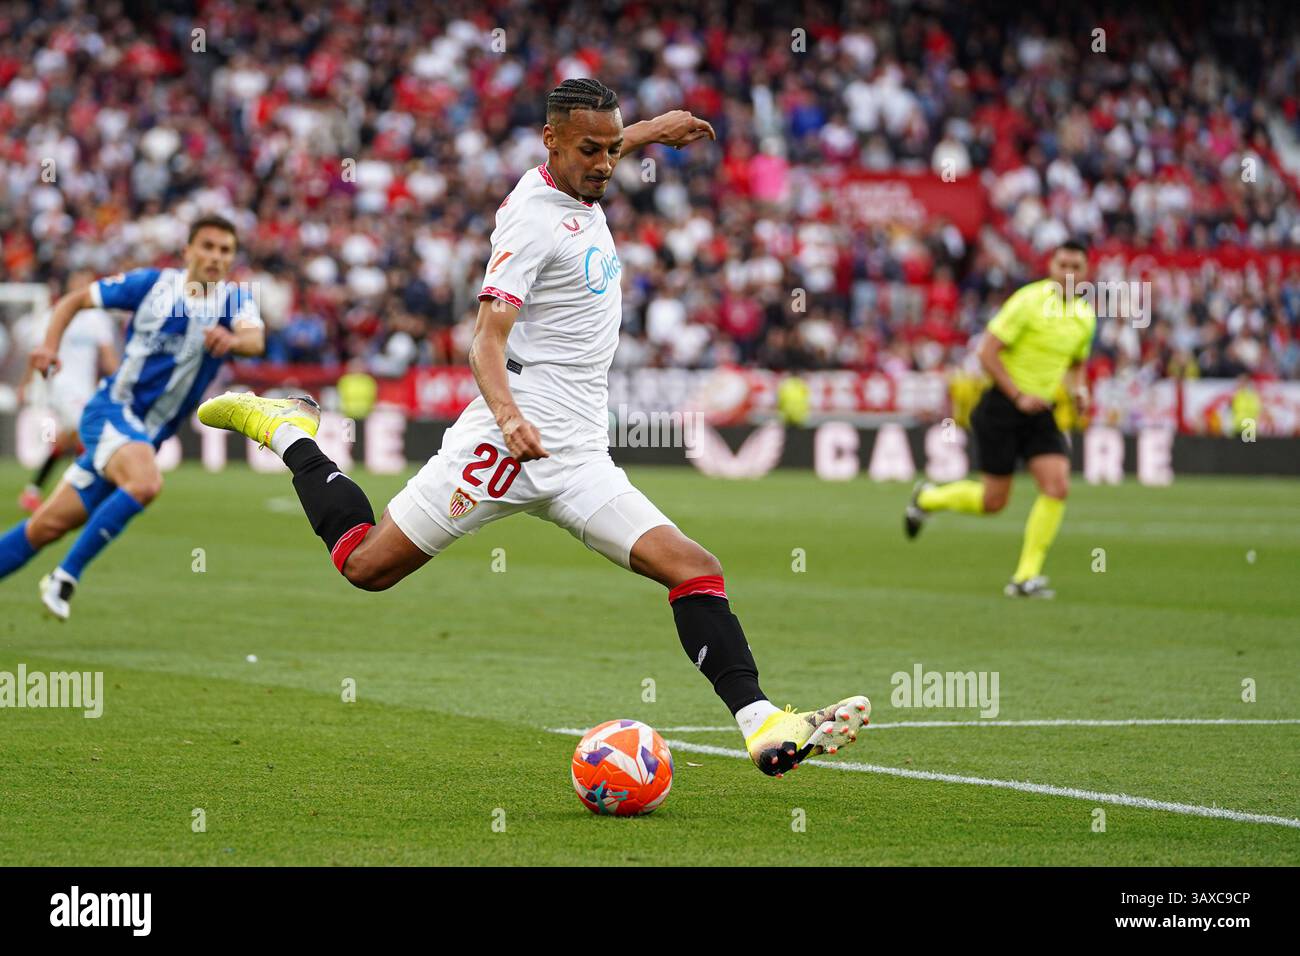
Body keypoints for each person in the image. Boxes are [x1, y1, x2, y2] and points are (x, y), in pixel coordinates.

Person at [199, 79, 869, 777]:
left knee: (696, 569)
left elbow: (603, 144)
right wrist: (511, 420)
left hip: (578, 457)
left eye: (613, 150)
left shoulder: (580, 180)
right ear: (551, 140)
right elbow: (484, 340)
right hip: (503, 445)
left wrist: (648, 130)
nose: (607, 163)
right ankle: (289, 430)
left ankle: (762, 725)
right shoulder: (530, 219)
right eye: (592, 150)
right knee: (364, 566)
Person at [0, 215, 266, 619]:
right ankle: (64, 576)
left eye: (225, 250)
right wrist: (49, 345)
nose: (215, 257)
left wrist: (234, 339)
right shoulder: (151, 285)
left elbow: (255, 339)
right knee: (144, 482)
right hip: (111, 411)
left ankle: (54, 569)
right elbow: (75, 300)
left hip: (145, 434)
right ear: (187, 251)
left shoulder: (234, 301)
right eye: (207, 246)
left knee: (45, 527)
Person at [904, 240, 1096, 598]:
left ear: (1086, 273)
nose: (1069, 274)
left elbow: (1075, 365)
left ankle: (1025, 577)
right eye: (1063, 266)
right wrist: (1018, 395)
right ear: (1050, 267)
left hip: (1042, 412)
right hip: (1002, 408)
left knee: (1057, 487)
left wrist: (1078, 391)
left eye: (1076, 268)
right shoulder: (1028, 302)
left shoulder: (1085, 316)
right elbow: (987, 352)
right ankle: (927, 498)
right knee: (994, 502)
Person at [13, 271, 120, 512]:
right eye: (77, 282)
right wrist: (25, 384)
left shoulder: (96, 320)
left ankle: (33, 492)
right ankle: (83, 494)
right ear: (68, 284)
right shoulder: (55, 315)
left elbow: (108, 358)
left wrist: (121, 382)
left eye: (86, 283)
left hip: (86, 389)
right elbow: (39, 353)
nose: (82, 286)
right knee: (85, 436)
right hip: (61, 388)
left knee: (66, 440)